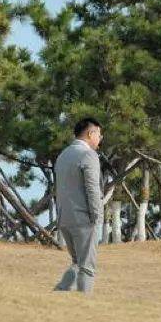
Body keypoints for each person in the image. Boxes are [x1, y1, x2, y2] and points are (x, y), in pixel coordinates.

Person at [53, 118, 104, 293]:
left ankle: (59, 293)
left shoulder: (63, 155)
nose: (100, 138)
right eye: (99, 134)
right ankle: (84, 304)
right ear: (91, 134)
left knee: (77, 262)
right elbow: (92, 189)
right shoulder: (89, 155)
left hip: (64, 217)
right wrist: (97, 217)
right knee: (87, 267)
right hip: (83, 218)